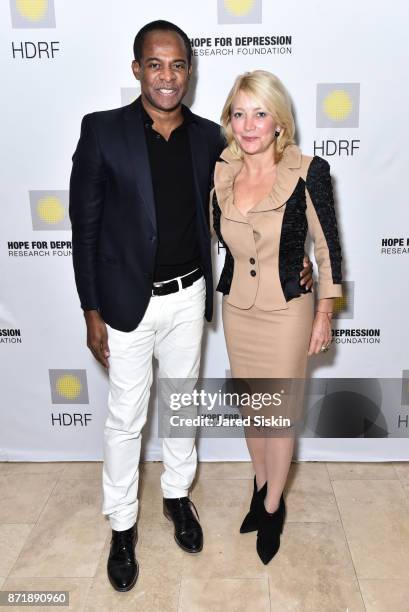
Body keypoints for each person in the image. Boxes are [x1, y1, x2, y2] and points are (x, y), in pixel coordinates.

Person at [69, 21, 313, 591]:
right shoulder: (102, 132)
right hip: (125, 303)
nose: (167, 76)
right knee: (126, 420)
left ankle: (178, 499)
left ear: (190, 72)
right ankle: (123, 526)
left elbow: (263, 193)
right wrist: (91, 309)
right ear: (137, 69)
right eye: (155, 64)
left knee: (181, 409)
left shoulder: (212, 139)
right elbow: (85, 229)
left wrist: (298, 260)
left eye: (178, 65)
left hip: (190, 296)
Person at [210, 70, 343, 565]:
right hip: (238, 309)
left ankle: (271, 509)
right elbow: (220, 239)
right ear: (229, 120)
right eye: (239, 113)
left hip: (288, 311)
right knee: (252, 409)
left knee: (279, 415)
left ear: (278, 123)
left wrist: (324, 311)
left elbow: (328, 248)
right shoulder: (221, 170)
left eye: (259, 113)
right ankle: (259, 485)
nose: (248, 124)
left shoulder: (309, 170)